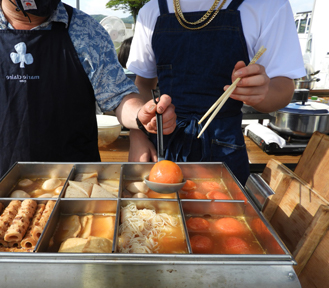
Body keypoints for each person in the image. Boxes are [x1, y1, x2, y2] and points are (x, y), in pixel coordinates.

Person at [0, 0, 176, 184]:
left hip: (77, 182)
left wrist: (140, 115)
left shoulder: (86, 31)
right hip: (1, 180)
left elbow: (119, 96)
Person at [126, 0, 306, 185]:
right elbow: (143, 84)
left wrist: (262, 92)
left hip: (225, 148)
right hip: (163, 145)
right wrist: (137, 134)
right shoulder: (151, 10)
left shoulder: (269, 5)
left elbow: (283, 87)